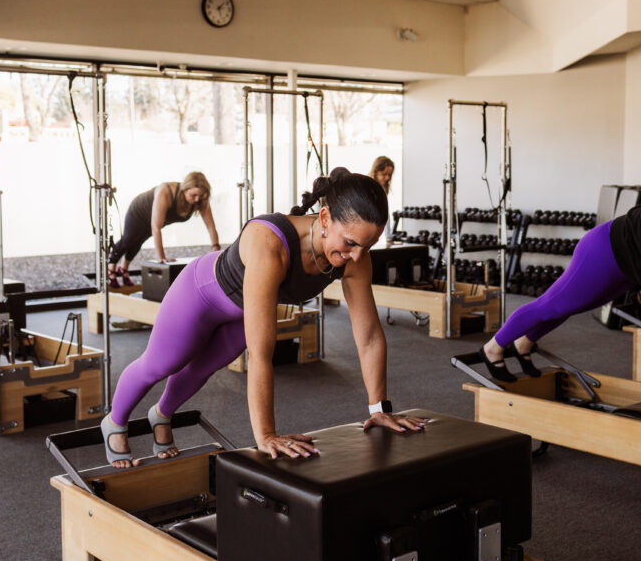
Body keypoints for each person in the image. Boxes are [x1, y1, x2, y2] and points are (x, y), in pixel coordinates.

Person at [101, 167, 426, 467]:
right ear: (325, 217)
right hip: (198, 294)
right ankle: (114, 422)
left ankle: (161, 415)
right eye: (351, 243)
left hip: (240, 310)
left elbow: (368, 337)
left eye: (367, 246)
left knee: (202, 369)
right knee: (161, 364)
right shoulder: (270, 241)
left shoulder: (355, 258)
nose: (356, 256)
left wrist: (379, 409)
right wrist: (267, 435)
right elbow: (260, 353)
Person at [479, 175, 641, 382]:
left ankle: (523, 342)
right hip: (606, 251)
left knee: (570, 307)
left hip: (628, 265)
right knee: (551, 304)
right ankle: (493, 347)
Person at [107, 172, 220, 287]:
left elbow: (211, 226)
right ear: (185, 189)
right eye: (193, 195)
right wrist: (161, 258)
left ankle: (123, 269)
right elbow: (156, 228)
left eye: (200, 196)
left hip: (153, 219)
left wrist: (215, 249)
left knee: (138, 242)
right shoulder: (166, 191)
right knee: (128, 240)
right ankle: (111, 269)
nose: (197, 199)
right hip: (139, 211)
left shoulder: (201, 200)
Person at [370, 156, 395, 244]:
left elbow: (385, 214)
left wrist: (389, 238)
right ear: (375, 172)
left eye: (389, 175)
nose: (387, 178)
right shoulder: (367, 188)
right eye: (384, 174)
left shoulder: (383, 189)